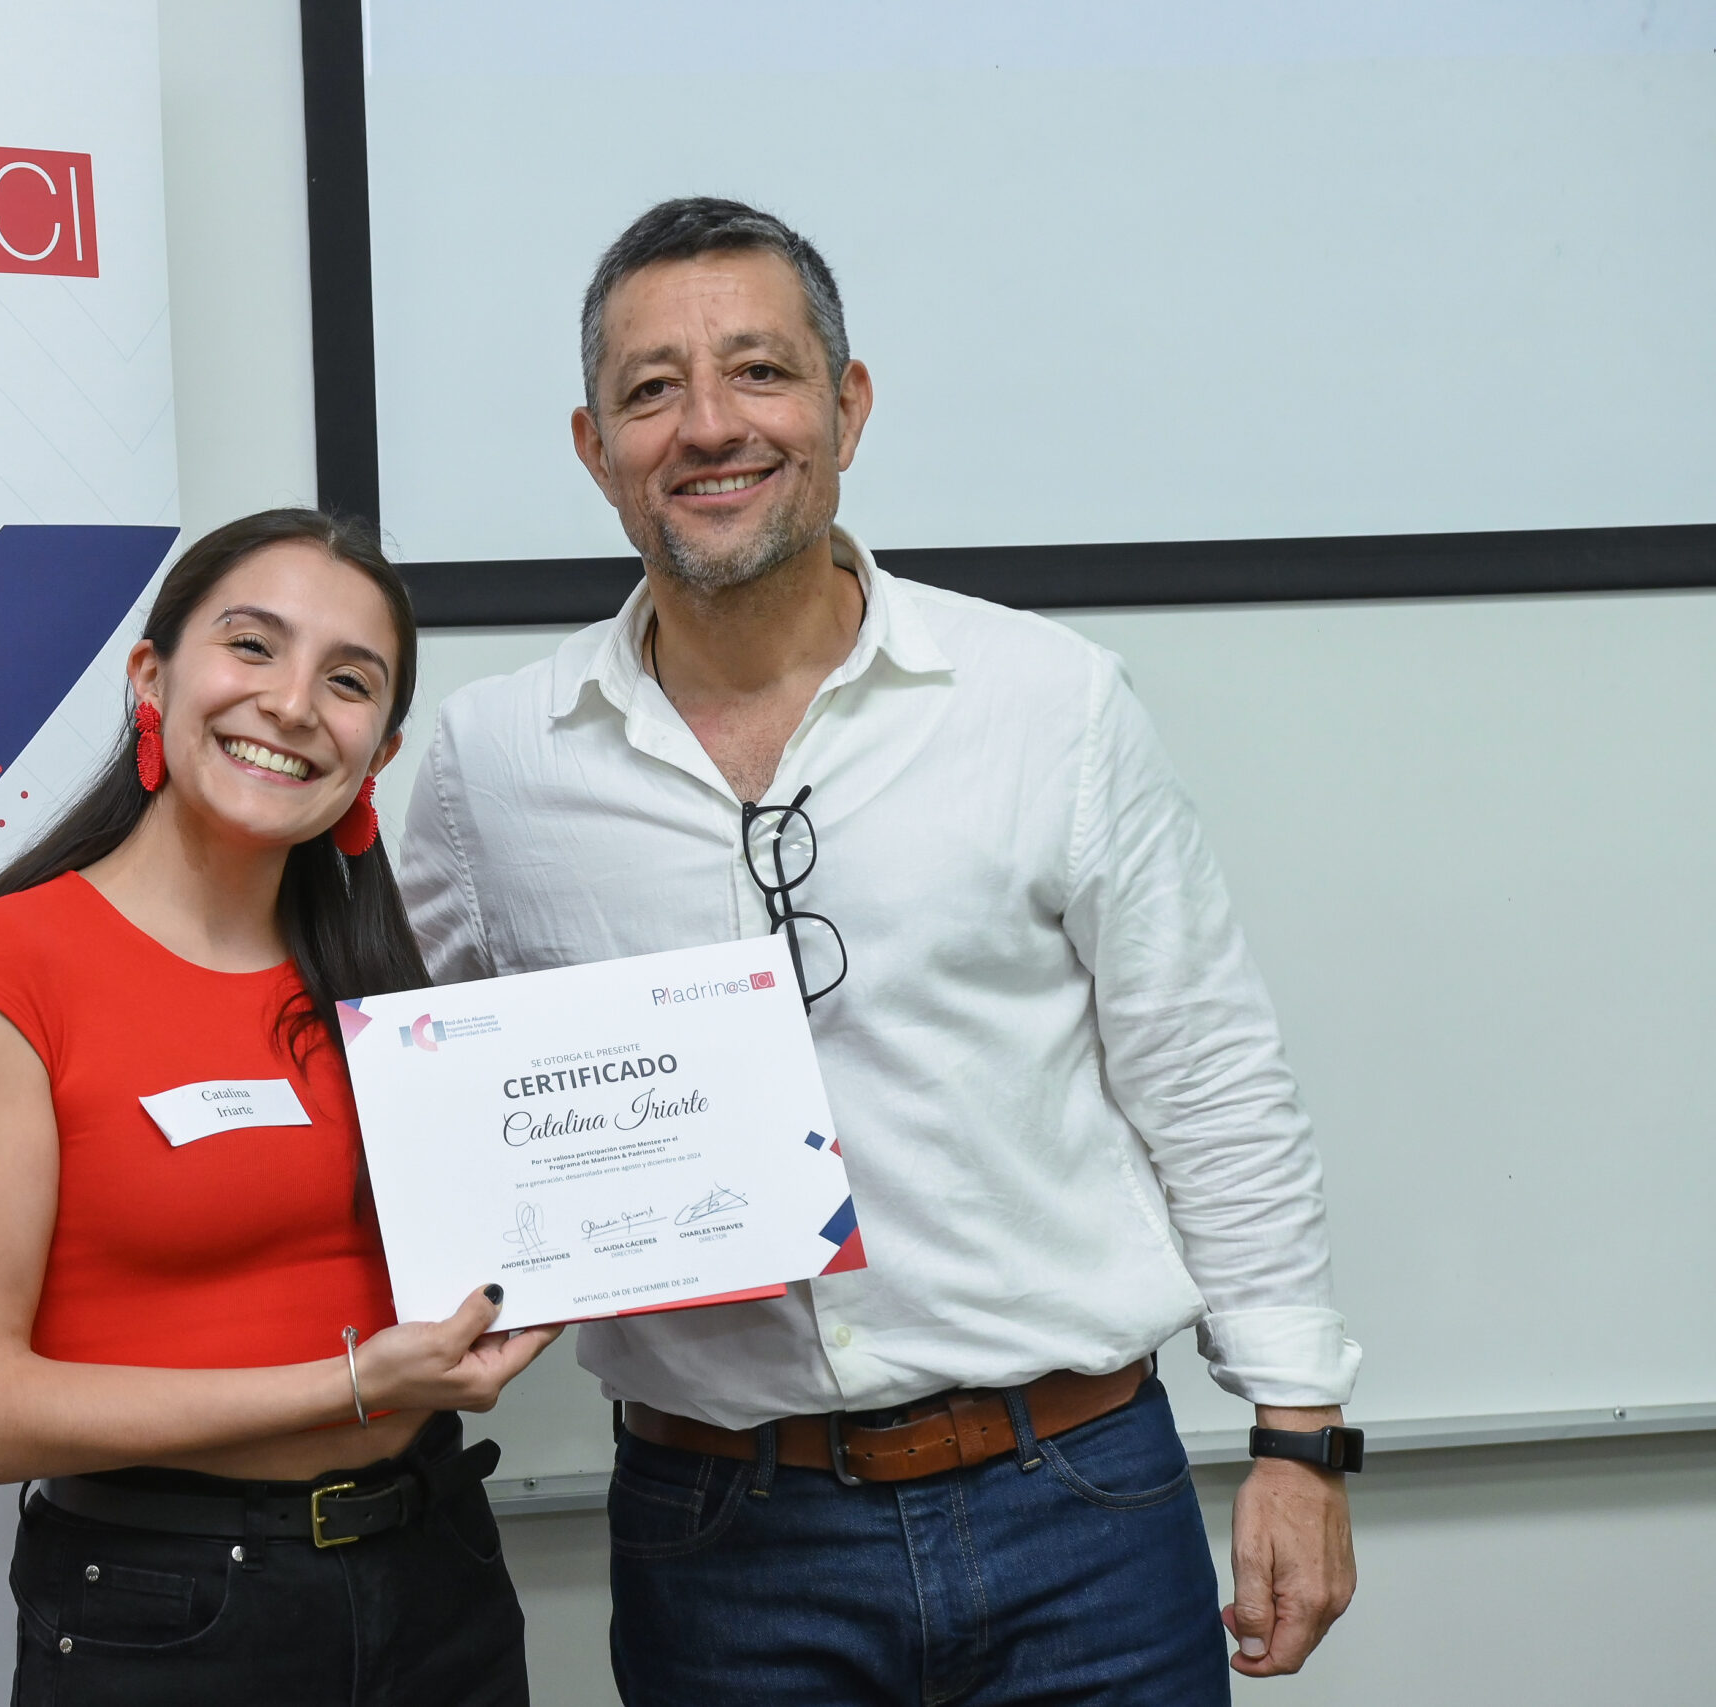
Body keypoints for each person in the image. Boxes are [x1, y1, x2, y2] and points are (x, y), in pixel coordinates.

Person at [396, 198, 1362, 1702]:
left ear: (846, 406)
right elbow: (406, 1103)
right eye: (652, 389)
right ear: (593, 448)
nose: (709, 425)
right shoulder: (494, 764)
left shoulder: (1046, 703)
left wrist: (1299, 1435)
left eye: (759, 371)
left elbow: (1209, 1074)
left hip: (1080, 1511)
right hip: (722, 1540)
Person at [0, 509, 558, 1706]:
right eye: (252, 646)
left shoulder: (386, 985)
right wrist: (352, 1383)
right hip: (173, 1613)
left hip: (437, 1574)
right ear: (151, 677)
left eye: (348, 681)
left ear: (379, 754)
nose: (292, 704)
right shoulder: (10, 970)